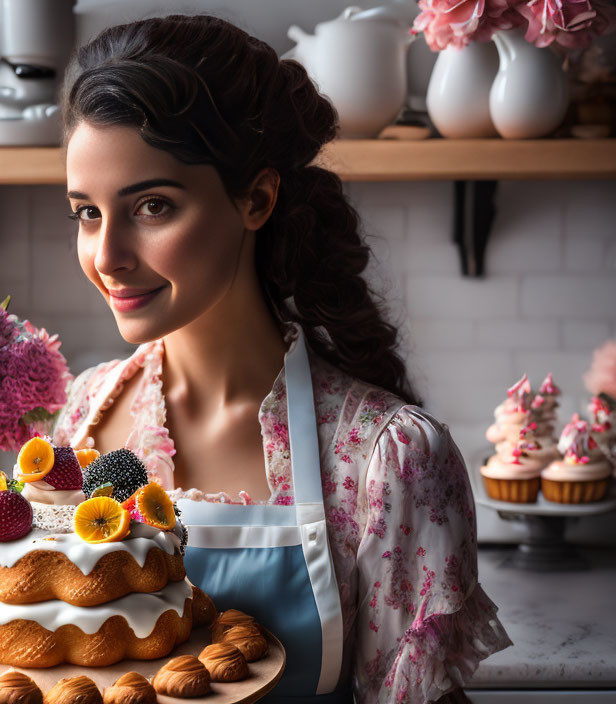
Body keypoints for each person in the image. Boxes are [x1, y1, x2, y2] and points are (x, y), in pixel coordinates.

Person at [51, 13, 511, 703]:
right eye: (87, 212)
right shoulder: (86, 416)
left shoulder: (386, 459)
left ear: (256, 200)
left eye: (151, 206)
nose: (107, 256)